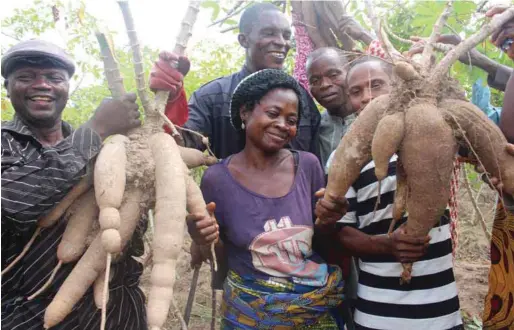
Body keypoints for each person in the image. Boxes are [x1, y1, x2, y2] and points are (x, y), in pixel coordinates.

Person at [1, 39, 147, 329]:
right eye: (26, 77)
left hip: (116, 307)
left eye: (54, 78)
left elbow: (126, 222)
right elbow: (16, 202)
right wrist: (95, 129)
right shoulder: (5, 145)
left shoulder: (104, 150)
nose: (42, 85)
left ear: (67, 86)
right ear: (7, 87)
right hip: (30, 313)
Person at [186, 69, 346, 329]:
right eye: (273, 114)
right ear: (245, 112)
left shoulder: (308, 165)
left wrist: (330, 220)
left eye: (291, 119)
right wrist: (203, 238)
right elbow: (221, 260)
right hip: (250, 312)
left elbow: (321, 241)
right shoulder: (217, 180)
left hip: (312, 307)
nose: (283, 125)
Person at [320, 56, 463, 330]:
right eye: (356, 91)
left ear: (398, 86)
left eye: (377, 85)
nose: (367, 97)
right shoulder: (343, 157)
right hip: (376, 311)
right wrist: (386, 245)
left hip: (442, 309)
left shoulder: (441, 137)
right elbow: (342, 233)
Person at [149, 2, 322, 161]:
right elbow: (178, 146)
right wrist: (171, 100)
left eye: (285, 35)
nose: (281, 42)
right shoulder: (212, 96)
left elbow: (316, 164)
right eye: (269, 33)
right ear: (244, 40)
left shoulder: (302, 99)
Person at [306, 47, 355, 171]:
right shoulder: (312, 128)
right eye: (315, 80)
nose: (324, 85)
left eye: (333, 75)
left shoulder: (374, 117)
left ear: (350, 72)